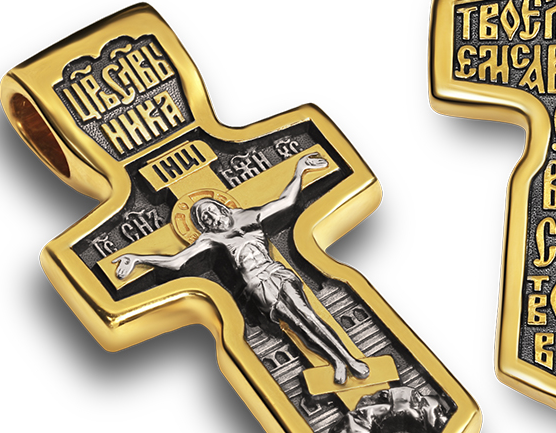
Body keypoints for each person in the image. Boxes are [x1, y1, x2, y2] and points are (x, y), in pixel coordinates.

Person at [114, 152, 370, 385]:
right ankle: (335, 362)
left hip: (275, 273)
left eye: (211, 211)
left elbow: (286, 201)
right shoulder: (209, 239)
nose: (211, 218)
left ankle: (349, 358)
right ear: (202, 225)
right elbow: (177, 261)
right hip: (257, 286)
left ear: (221, 207)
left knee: (307, 314)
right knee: (295, 325)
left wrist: (300, 170)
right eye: (205, 218)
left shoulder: (249, 215)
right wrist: (137, 258)